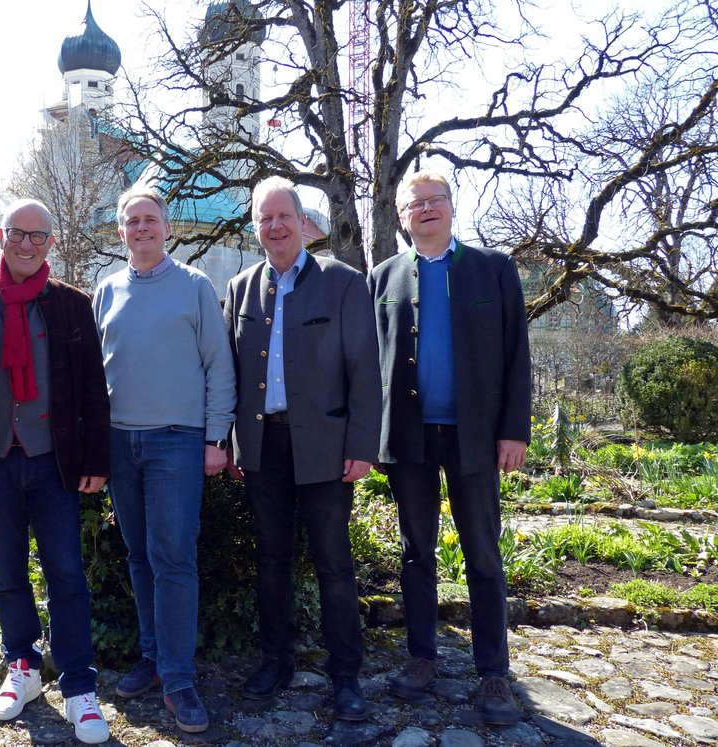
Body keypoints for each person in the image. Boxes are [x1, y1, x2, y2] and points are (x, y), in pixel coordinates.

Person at [0, 199, 111, 744]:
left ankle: (80, 687)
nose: (27, 244)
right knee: (7, 573)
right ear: (0, 237)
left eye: (38, 236)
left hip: (54, 462)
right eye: (17, 234)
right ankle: (23, 670)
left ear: (50, 243)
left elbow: (93, 391)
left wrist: (96, 460)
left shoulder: (72, 306)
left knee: (67, 576)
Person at [369, 169, 531, 725]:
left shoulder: (494, 268)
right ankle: (421, 658)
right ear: (401, 216)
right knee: (416, 552)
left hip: (476, 437)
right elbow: (370, 365)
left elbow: (517, 354)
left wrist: (515, 430)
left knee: (483, 553)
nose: (427, 210)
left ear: (451, 209)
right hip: (409, 437)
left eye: (436, 200)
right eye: (416, 204)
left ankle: (493, 672)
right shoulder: (384, 277)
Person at [223, 176, 381, 722]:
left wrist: (363, 445)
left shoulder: (343, 282)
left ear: (301, 220)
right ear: (255, 227)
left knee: (334, 565)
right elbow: (230, 376)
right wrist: (232, 441)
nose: (274, 226)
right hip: (263, 447)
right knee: (271, 561)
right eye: (264, 219)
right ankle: (277, 658)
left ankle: (345, 675)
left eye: (282, 215)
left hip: (327, 448)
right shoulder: (241, 287)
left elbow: (366, 372)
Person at [92, 186, 236, 734]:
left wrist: (216, 438)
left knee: (173, 557)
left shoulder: (196, 287)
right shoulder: (105, 290)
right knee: (138, 554)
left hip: (178, 440)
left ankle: (179, 677)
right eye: (132, 221)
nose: (142, 229)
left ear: (167, 228)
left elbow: (219, 365)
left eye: (151, 220)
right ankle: (152, 657)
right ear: (121, 231)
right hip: (119, 441)